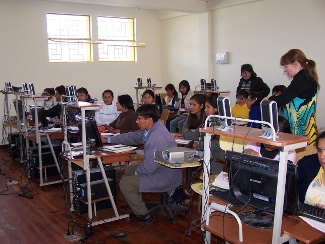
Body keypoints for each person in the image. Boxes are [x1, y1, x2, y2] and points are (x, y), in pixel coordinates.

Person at [105, 104, 181, 223]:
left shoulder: (156, 138)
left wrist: (137, 173)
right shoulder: (153, 128)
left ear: (149, 119)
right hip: (160, 168)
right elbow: (132, 137)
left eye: (139, 119)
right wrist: (109, 140)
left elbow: (149, 168)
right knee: (129, 169)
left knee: (125, 183)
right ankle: (135, 203)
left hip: (165, 176)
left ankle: (143, 215)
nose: (136, 121)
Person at [269, 49, 319, 145]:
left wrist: (269, 100)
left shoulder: (302, 79)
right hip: (302, 134)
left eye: (286, 66)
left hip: (302, 135)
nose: (284, 70)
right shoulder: (304, 78)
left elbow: (281, 100)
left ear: (295, 64)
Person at [297, 131, 325, 207]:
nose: (322, 156)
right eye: (320, 150)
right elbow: (288, 190)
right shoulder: (308, 164)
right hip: (301, 217)